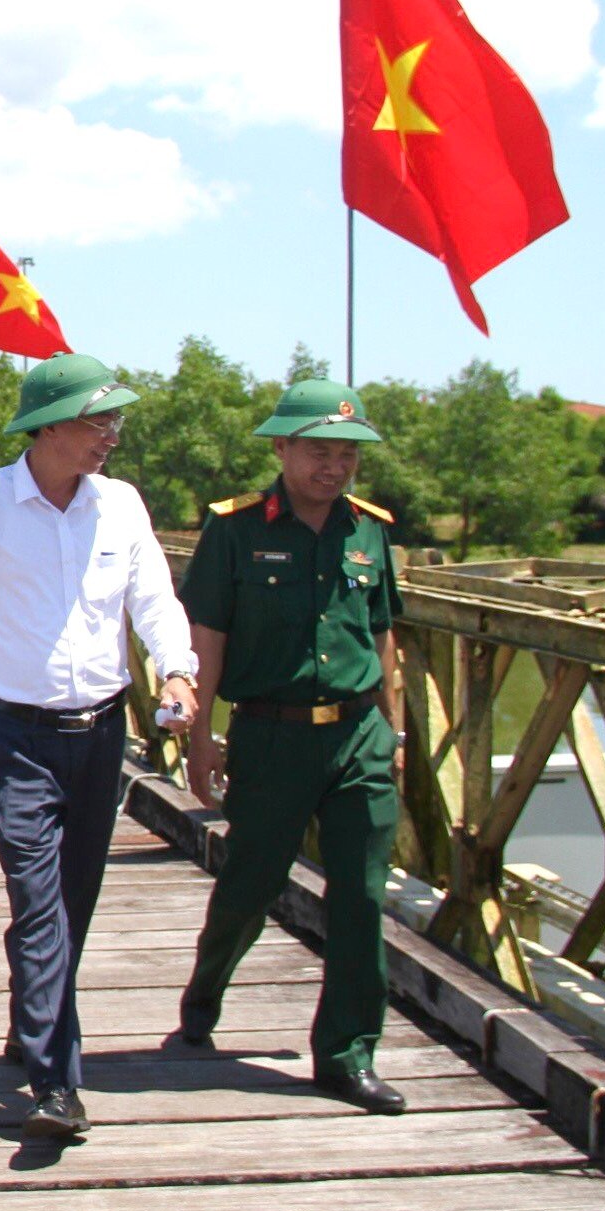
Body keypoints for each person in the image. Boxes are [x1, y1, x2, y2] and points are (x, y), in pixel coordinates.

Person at [0, 353, 197, 1140]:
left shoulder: (121, 506)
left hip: (100, 731)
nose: (109, 434)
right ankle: (54, 1081)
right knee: (37, 901)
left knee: (71, 901)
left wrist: (175, 669)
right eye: (93, 420)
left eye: (114, 420)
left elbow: (153, 599)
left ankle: (27, 1022)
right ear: (43, 427)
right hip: (17, 733)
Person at [174, 379, 408, 1114]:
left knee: (362, 896)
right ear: (281, 448)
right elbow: (204, 637)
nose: (333, 466)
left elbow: (381, 635)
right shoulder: (235, 529)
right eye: (318, 450)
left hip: (356, 734)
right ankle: (206, 987)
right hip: (270, 733)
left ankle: (345, 1053)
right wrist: (201, 737)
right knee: (251, 883)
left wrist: (393, 730)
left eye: (347, 454)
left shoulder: (368, 530)